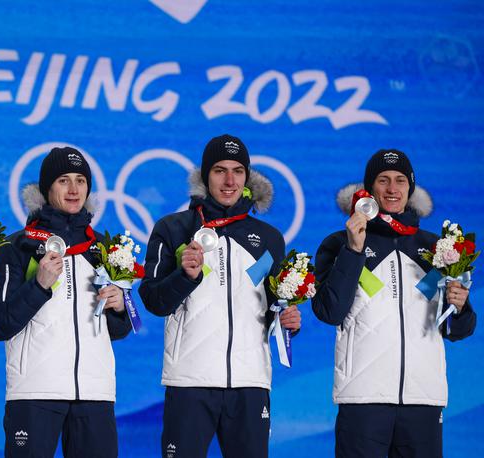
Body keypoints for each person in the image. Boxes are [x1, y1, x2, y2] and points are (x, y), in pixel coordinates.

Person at [139, 134, 301, 458]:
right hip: (190, 381)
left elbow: (269, 304)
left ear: (247, 178)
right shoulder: (173, 229)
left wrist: (287, 322)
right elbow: (154, 301)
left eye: (238, 171)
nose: (229, 181)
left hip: (250, 383)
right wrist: (185, 277)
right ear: (204, 176)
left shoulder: (268, 239)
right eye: (219, 171)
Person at [312, 149, 477, 457]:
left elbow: (458, 330)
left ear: (410, 188)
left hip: (423, 398)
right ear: (369, 188)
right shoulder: (340, 241)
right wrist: (353, 250)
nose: (392, 189)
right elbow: (329, 311)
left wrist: (461, 306)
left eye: (400, 180)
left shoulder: (435, 248)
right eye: (383, 180)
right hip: (362, 398)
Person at [0, 146, 132, 457]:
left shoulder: (103, 250)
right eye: (64, 180)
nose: (74, 189)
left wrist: (119, 307)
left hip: (95, 393)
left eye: (80, 180)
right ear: (47, 187)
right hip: (35, 391)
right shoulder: (18, 246)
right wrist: (38, 286)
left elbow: (117, 330)